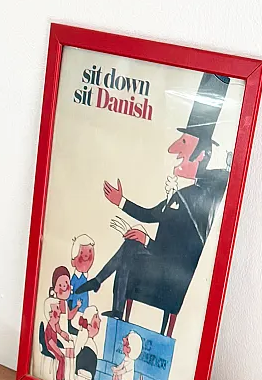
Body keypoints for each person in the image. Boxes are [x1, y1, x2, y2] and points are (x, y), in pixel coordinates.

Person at [77, 73, 232, 327]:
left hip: (170, 275)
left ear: (202, 156)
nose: (174, 150)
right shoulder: (183, 194)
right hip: (160, 263)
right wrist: (121, 201)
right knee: (130, 244)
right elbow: (152, 214)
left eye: (183, 143)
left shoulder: (196, 201)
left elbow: (182, 250)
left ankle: (103, 288)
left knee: (130, 245)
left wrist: (146, 239)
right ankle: (103, 289)